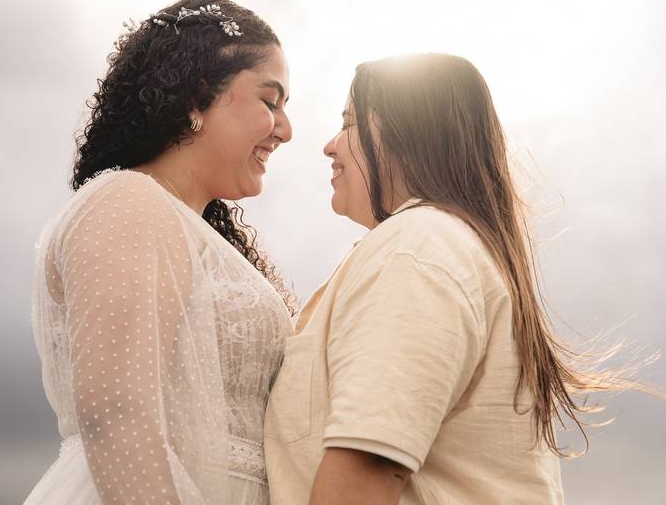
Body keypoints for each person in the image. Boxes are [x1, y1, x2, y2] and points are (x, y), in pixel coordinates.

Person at [265, 53, 632, 504]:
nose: (330, 145)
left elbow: (366, 473)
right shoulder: (436, 246)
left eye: (350, 123)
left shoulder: (417, 247)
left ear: (405, 134)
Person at [25, 0, 296, 504]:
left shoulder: (185, 227)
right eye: (270, 100)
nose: (285, 129)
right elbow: (116, 414)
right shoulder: (126, 200)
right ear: (198, 96)